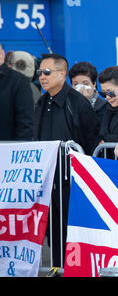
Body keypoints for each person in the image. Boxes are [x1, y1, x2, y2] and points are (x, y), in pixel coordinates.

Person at [33, 53, 100, 267]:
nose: (42, 77)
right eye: (39, 73)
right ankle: (58, 266)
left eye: (46, 72)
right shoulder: (42, 101)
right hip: (47, 178)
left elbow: (91, 142)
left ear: (62, 74)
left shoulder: (77, 103)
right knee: (51, 229)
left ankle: (74, 268)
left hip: (72, 179)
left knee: (72, 228)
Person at [0, 44, 34, 141]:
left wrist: (18, 149)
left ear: (2, 54)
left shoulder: (18, 82)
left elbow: (25, 123)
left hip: (7, 149)